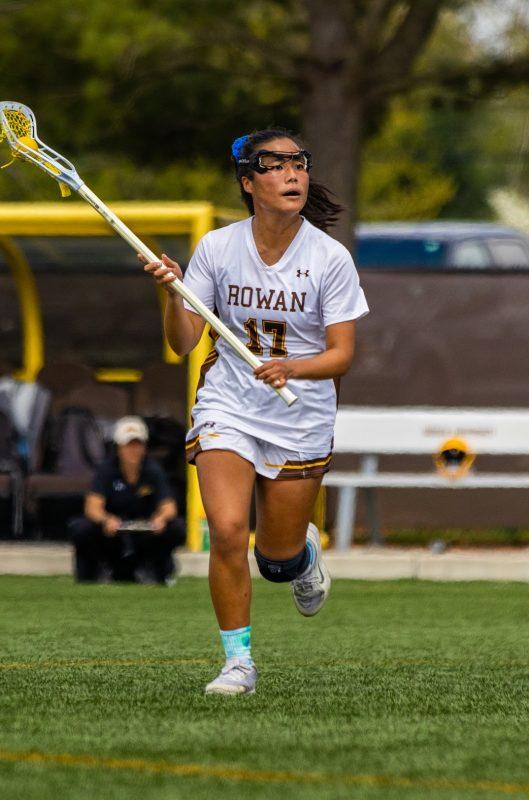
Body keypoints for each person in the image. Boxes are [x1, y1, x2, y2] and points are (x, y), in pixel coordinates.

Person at [142, 129, 368, 695]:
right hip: (230, 404)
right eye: (275, 165)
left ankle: (303, 554)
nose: (292, 174)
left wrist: (292, 369)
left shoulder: (329, 258)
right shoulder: (219, 249)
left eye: (299, 163)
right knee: (225, 528)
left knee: (276, 558)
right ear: (249, 182)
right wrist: (173, 295)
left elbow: (341, 356)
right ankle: (237, 663)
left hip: (300, 413)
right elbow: (183, 342)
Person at [69, 415, 185, 585]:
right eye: (129, 445)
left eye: (138, 444)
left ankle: (156, 569)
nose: (134, 450)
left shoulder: (153, 471)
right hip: (112, 533)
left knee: (176, 527)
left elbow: (169, 506)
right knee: (80, 528)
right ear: (118, 448)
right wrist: (106, 519)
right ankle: (95, 571)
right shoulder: (106, 470)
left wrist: (160, 519)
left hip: (145, 532)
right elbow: (92, 507)